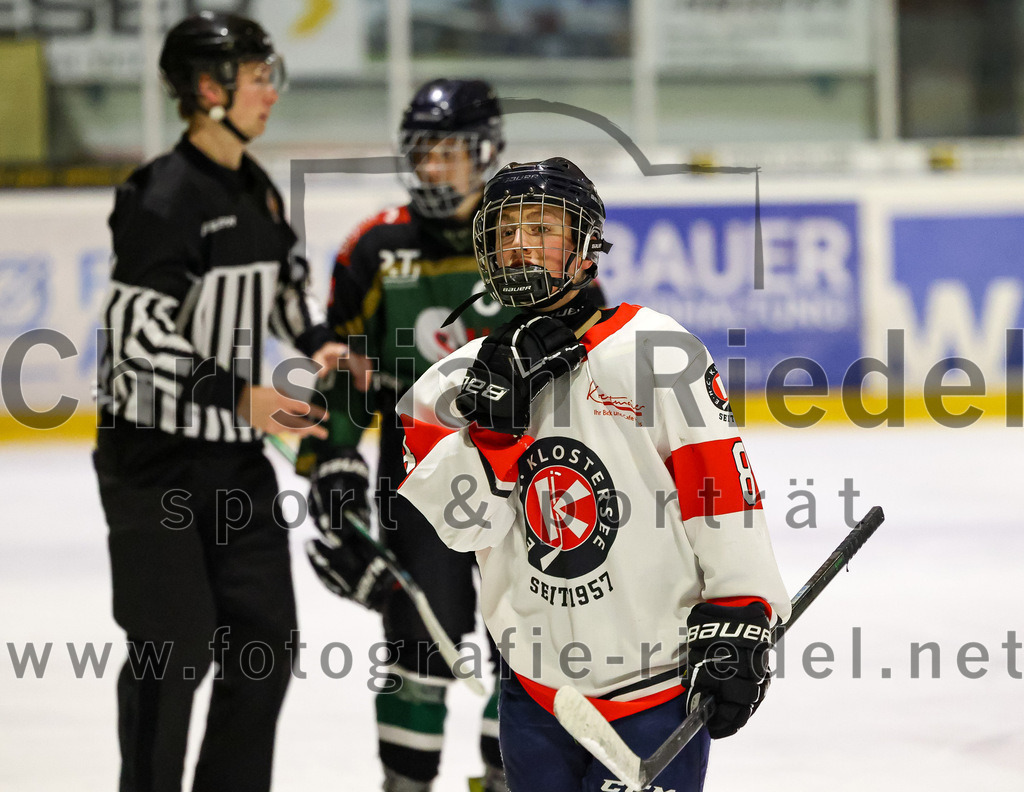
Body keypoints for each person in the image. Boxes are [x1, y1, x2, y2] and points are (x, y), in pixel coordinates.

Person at [394, 158, 793, 792]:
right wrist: (494, 433)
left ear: (585, 248)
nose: (520, 243)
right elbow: (465, 526)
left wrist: (742, 607)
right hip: (538, 693)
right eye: (505, 231)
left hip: (656, 681)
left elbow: (718, 489)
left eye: (542, 226)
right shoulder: (445, 388)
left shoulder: (657, 351)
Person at [92, 12, 348, 792]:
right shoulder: (161, 198)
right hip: (154, 462)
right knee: (174, 648)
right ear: (209, 89)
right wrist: (243, 396)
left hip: (233, 462)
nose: (271, 91)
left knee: (264, 644)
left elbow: (284, 284)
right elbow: (138, 336)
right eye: (256, 75)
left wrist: (317, 342)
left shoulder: (255, 187)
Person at [298, 78, 520, 792]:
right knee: (416, 655)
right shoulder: (376, 246)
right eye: (423, 152)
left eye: (449, 151)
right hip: (417, 489)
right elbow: (341, 366)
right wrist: (334, 475)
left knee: (533, 655)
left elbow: (592, 361)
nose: (433, 168)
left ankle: (513, 776)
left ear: (484, 151)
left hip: (526, 485)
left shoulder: (531, 239)